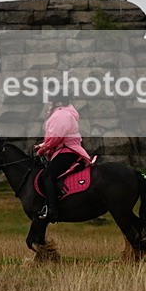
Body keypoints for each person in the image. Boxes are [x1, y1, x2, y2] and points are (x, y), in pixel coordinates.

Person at [33, 92, 91, 222]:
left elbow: (56, 137)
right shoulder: (64, 113)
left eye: (51, 101)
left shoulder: (61, 114)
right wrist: (42, 145)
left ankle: (52, 210)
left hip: (67, 151)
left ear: (57, 102)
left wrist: (42, 149)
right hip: (65, 148)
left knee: (47, 175)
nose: (49, 104)